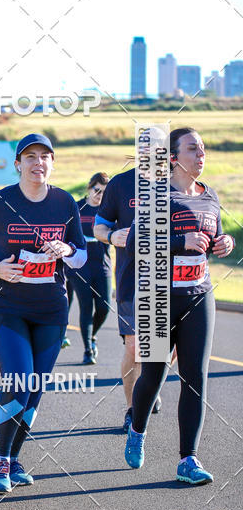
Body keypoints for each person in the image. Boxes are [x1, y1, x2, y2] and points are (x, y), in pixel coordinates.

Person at [0, 134, 87, 493]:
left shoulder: (64, 202)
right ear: (18, 163)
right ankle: (0, 462)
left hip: (50, 308)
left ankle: (15, 458)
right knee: (18, 378)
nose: (38, 162)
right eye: (30, 156)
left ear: (52, 162)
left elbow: (80, 255)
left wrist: (65, 248)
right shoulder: (1, 201)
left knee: (34, 388)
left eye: (45, 156)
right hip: (4, 305)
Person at [125, 127, 235, 484]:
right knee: (153, 374)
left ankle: (188, 459)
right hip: (158, 296)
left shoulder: (210, 195)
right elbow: (135, 242)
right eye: (192, 148)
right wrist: (178, 240)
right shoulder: (158, 194)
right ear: (172, 157)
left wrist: (225, 242)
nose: (201, 154)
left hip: (199, 294)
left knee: (195, 378)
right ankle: (138, 428)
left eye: (203, 148)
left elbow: (213, 235)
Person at [94, 144, 162, 431]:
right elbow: (98, 227)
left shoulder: (176, 182)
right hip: (131, 279)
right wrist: (111, 236)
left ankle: (150, 385)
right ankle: (133, 409)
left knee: (163, 348)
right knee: (135, 346)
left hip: (171, 282)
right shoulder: (121, 184)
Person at [66, 173, 111, 364]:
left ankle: (92, 336)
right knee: (86, 306)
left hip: (102, 264)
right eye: (97, 190)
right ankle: (87, 351)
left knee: (104, 307)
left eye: (103, 192)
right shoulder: (76, 207)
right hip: (79, 266)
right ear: (89, 188)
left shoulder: (108, 210)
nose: (99, 194)